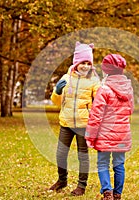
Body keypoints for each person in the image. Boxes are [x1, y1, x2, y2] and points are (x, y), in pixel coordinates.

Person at [50, 41, 100, 196]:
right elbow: (57, 102)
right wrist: (57, 91)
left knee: (82, 155)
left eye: (88, 63)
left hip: (83, 124)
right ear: (76, 63)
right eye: (82, 62)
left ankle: (81, 185)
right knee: (60, 154)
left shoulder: (94, 81)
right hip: (66, 122)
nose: (85, 66)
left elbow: (99, 102)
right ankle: (62, 180)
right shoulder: (66, 78)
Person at [85, 54, 134, 200]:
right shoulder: (128, 89)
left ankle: (107, 192)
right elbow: (130, 110)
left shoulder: (104, 89)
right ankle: (117, 194)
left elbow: (96, 115)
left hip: (104, 134)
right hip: (122, 134)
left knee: (102, 163)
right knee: (119, 164)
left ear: (106, 70)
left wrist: (90, 136)